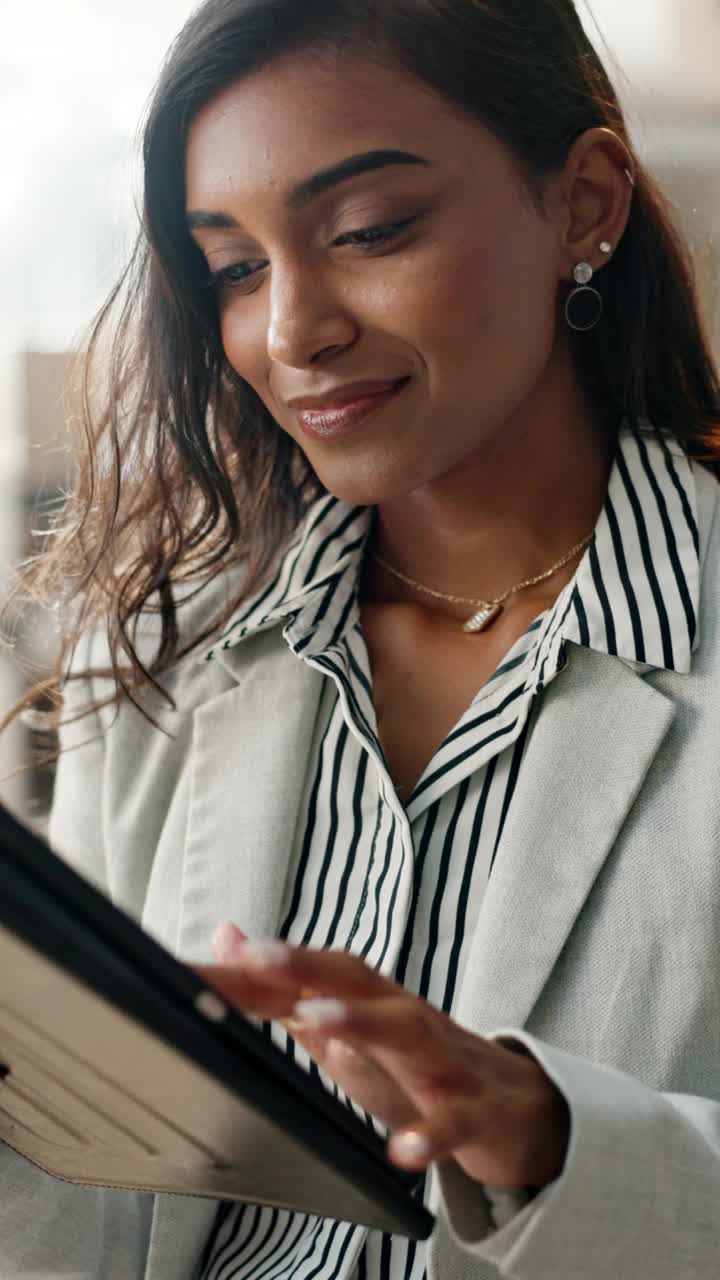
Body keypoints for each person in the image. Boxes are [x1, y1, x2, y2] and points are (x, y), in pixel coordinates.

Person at [3, 0, 720, 1277]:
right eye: (232, 267)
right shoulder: (164, 655)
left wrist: (561, 1143)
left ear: (585, 203)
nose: (290, 332)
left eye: (368, 231)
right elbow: (94, 1202)